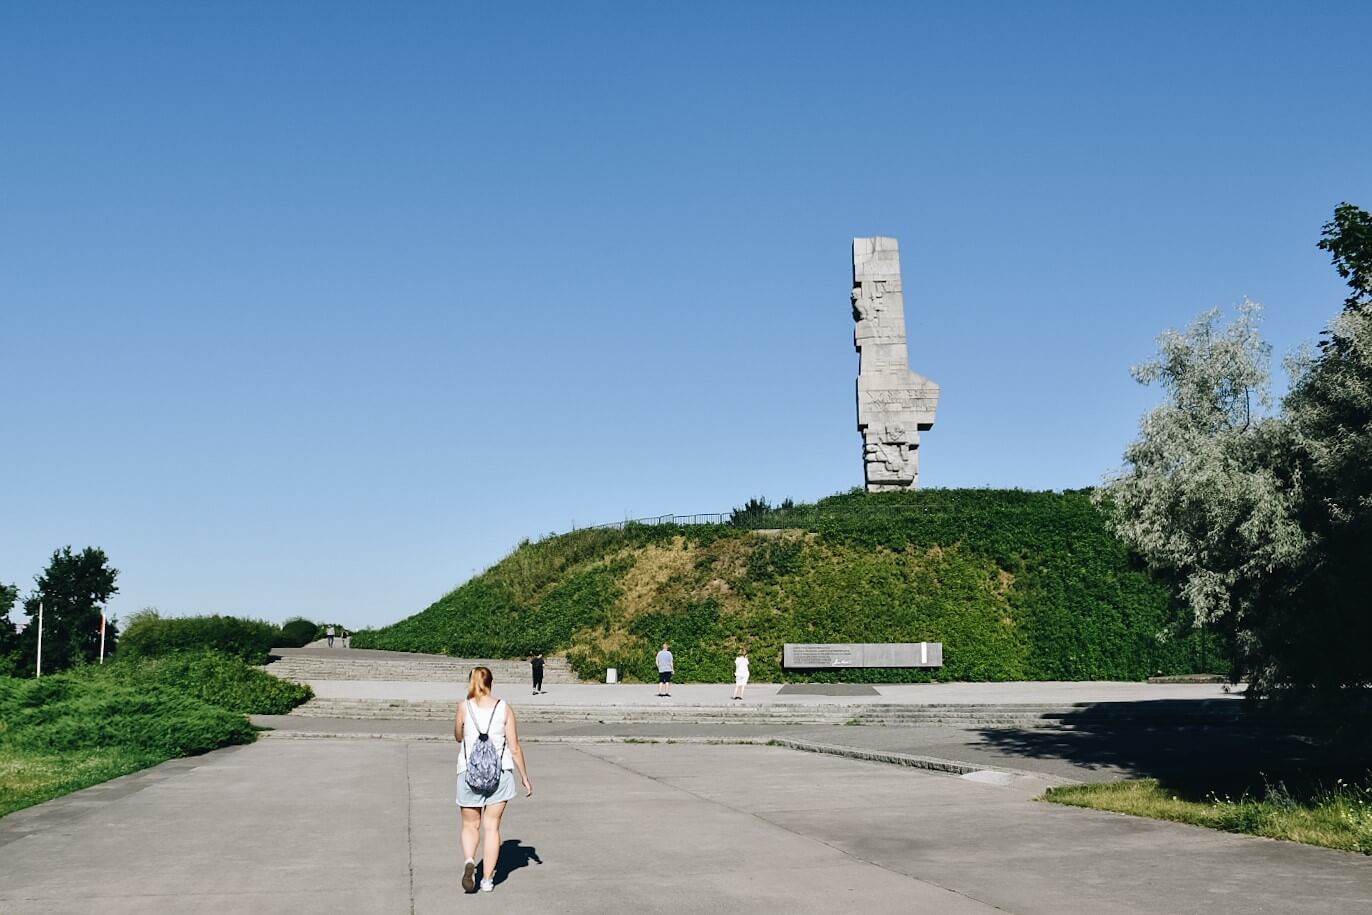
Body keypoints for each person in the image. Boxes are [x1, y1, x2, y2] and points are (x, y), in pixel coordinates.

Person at [455, 666, 533, 894]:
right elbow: (514, 747)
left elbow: (458, 737)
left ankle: (470, 861)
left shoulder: (464, 706)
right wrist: (524, 777)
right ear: (491, 682)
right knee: (491, 827)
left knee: (470, 825)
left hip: (468, 772)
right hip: (500, 773)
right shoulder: (504, 708)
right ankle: (488, 880)